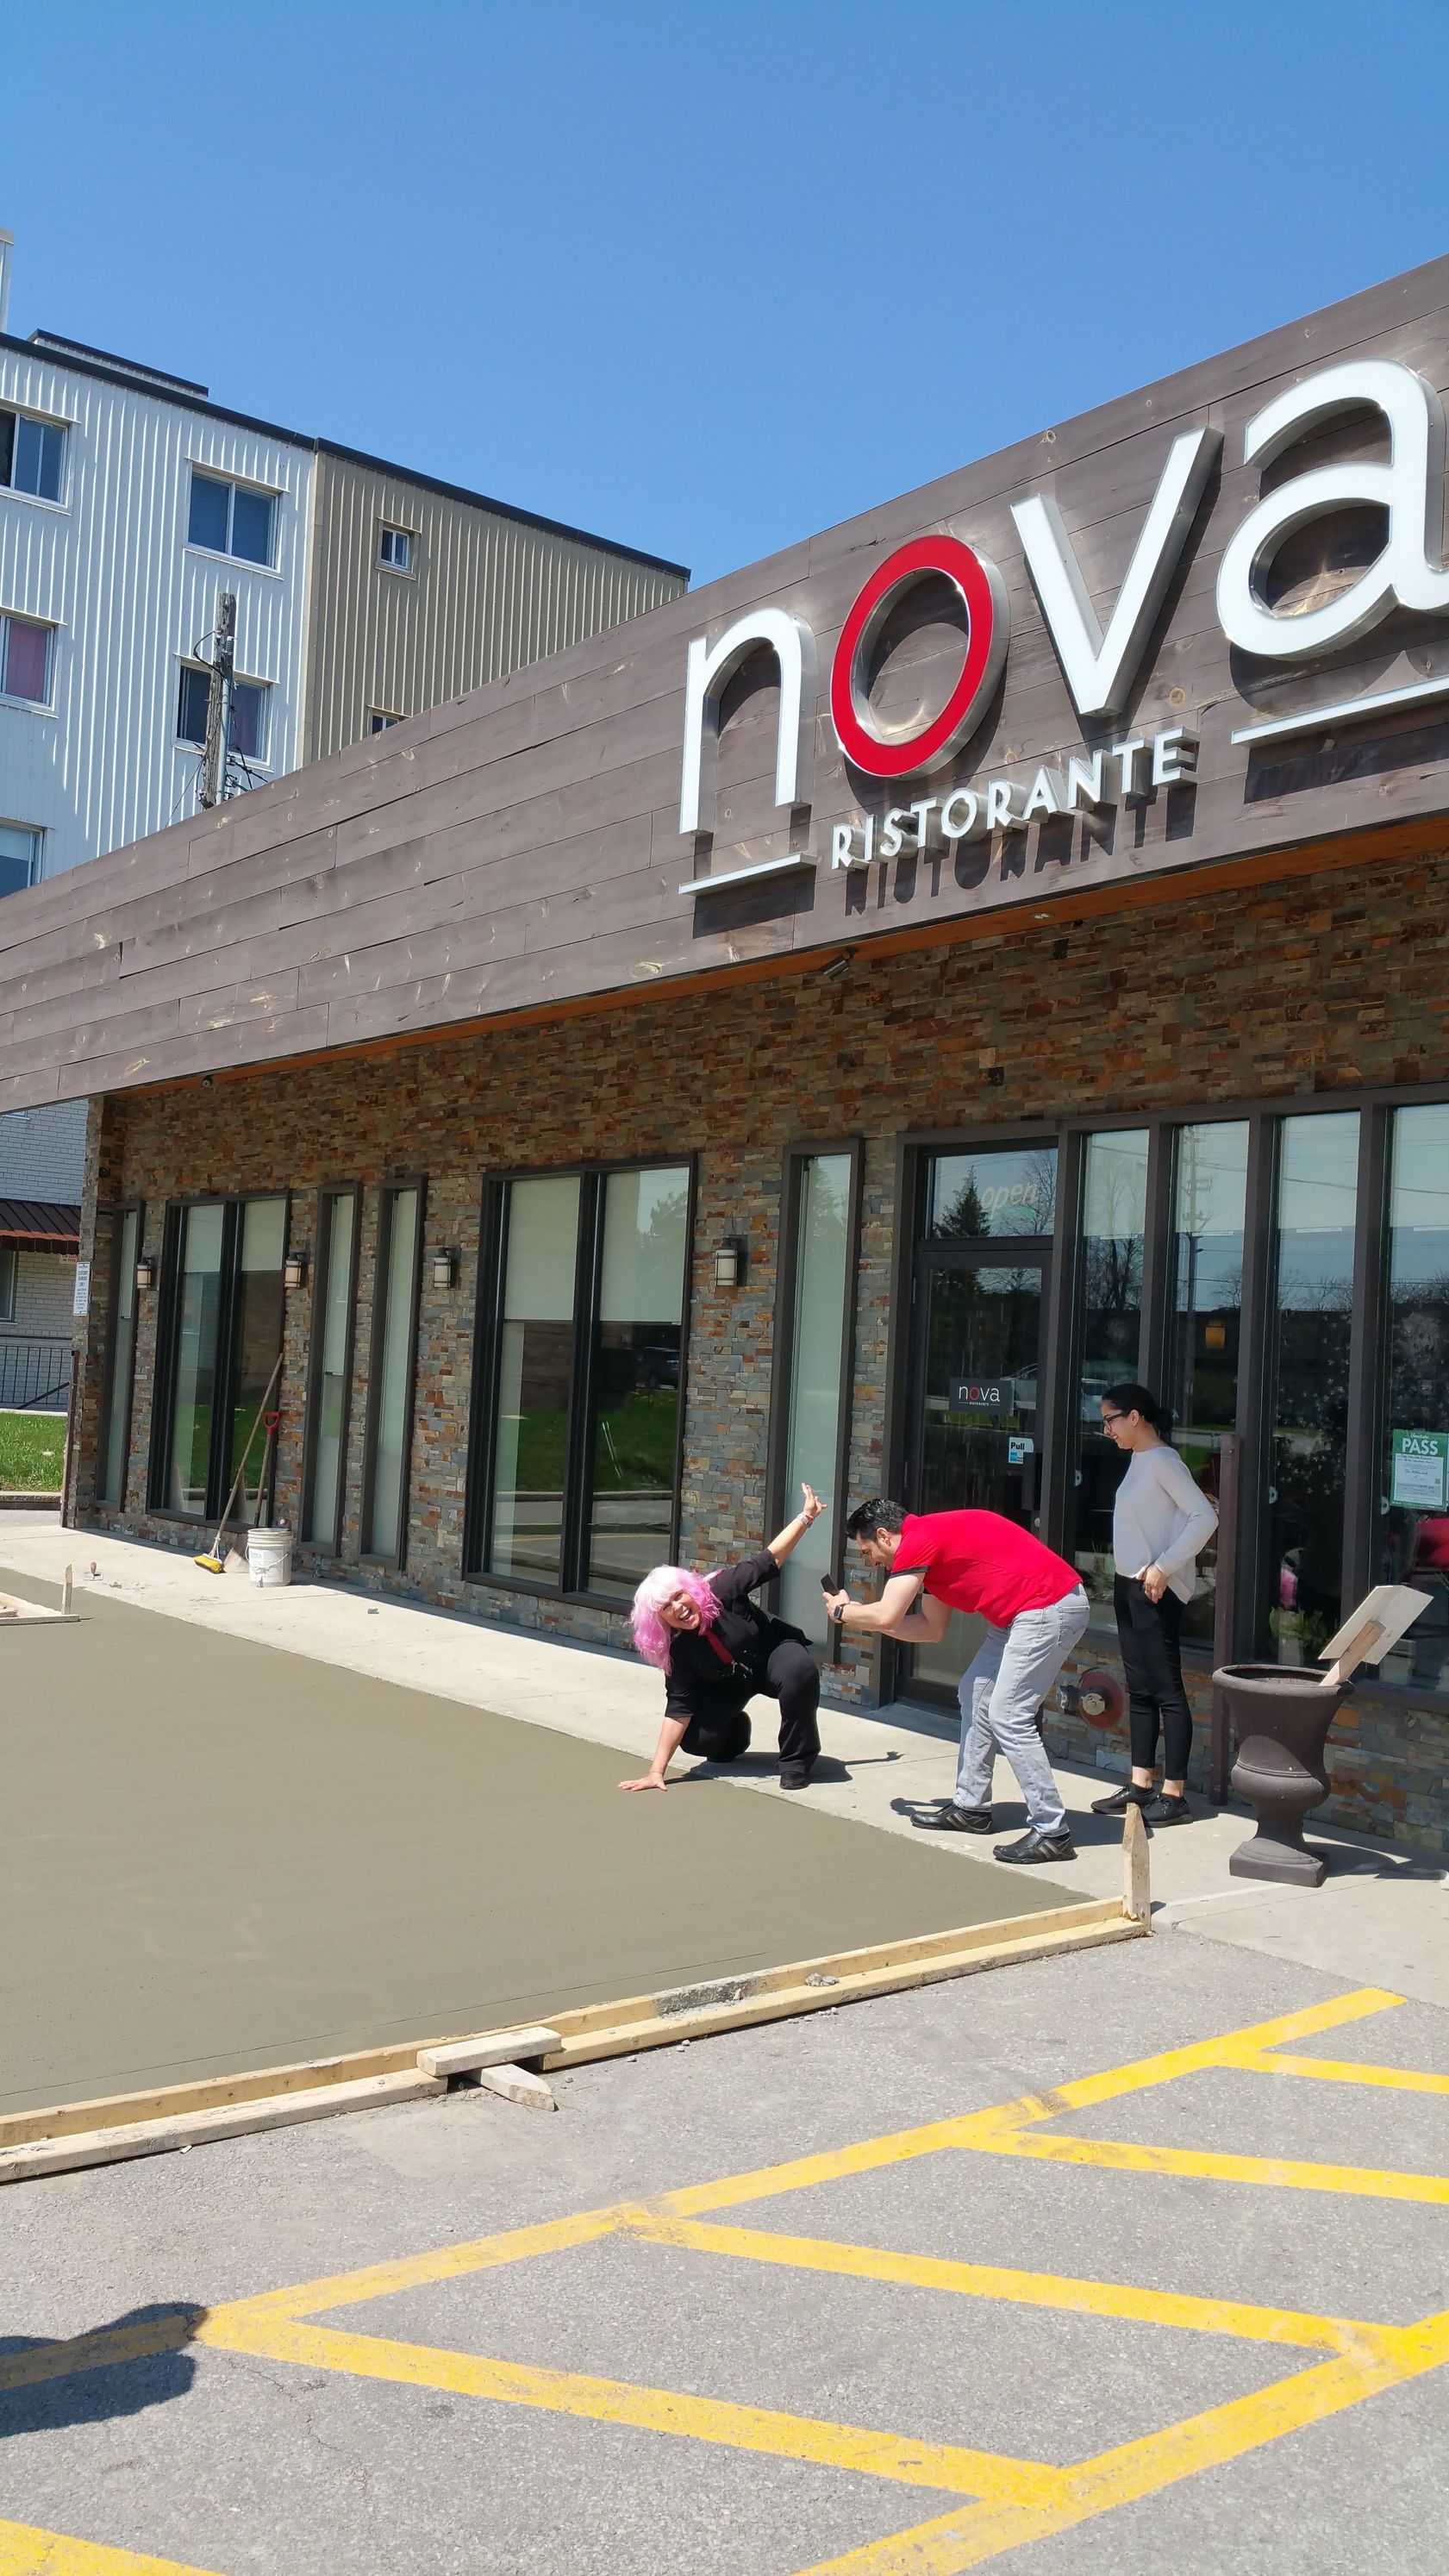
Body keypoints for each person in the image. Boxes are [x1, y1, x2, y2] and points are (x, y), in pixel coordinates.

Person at [826, 1500, 1089, 1865]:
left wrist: (843, 1612)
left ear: (884, 1536)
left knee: (1008, 1714)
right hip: (1018, 1616)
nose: (872, 1561)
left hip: (1048, 1606)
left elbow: (887, 1613)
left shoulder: (919, 1540)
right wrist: (853, 1617)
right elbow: (930, 1629)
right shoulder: (931, 1555)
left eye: (868, 1550)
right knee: (975, 1692)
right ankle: (971, 1808)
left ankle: (1052, 1831)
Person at [621, 1485, 826, 1792]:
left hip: (770, 1654)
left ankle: (796, 1761)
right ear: (659, 1618)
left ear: (690, 1590)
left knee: (799, 1671)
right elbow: (679, 1708)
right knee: (698, 1740)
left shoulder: (721, 1590)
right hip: (727, 1684)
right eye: (666, 1606)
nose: (678, 1607)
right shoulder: (677, 1649)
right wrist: (655, 1771)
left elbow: (769, 1560)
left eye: (679, 1596)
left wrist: (806, 1517)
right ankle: (735, 1732)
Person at [1090, 1381, 1219, 1826]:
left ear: (1134, 1417)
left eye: (1110, 1419)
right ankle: (1141, 1784)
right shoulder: (1140, 1461)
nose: (1106, 1429)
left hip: (1154, 1589)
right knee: (1140, 1689)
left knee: (1167, 1690)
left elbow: (1206, 1516)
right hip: (1131, 1585)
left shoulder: (1164, 1461)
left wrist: (1164, 1567)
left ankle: (1175, 1793)